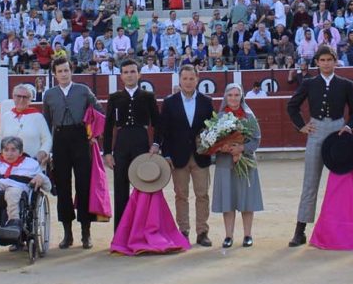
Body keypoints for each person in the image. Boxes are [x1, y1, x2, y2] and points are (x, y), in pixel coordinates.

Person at [285, 45, 353, 247]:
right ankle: (300, 231)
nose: (326, 63)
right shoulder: (310, 83)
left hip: (338, 131)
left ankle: (344, 227)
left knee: (342, 183)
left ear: (335, 62)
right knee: (310, 182)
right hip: (316, 129)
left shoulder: (345, 84)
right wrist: (301, 126)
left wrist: (348, 127)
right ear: (317, 62)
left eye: (330, 60)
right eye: (323, 60)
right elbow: (292, 106)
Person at [42, 55, 102, 249]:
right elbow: (47, 123)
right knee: (63, 187)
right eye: (60, 71)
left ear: (71, 71)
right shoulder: (49, 95)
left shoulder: (83, 91)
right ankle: (68, 234)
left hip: (80, 138)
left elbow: (99, 113)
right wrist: (48, 149)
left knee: (84, 185)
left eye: (66, 70)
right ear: (54, 74)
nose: (64, 74)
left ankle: (86, 234)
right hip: (60, 140)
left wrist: (94, 134)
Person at [156, 64, 215, 246]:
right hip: (177, 155)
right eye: (185, 79)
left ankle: (202, 231)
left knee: (202, 194)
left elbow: (211, 129)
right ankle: (183, 230)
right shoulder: (170, 102)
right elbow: (163, 131)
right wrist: (166, 154)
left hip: (200, 155)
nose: (188, 82)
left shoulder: (206, 101)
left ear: (197, 79)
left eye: (192, 78)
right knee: (181, 195)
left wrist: (209, 148)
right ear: (179, 80)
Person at [103, 58, 158, 228]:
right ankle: (121, 230)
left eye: (133, 71)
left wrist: (156, 143)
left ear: (139, 74)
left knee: (143, 184)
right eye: (126, 72)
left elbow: (157, 122)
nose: (129, 75)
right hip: (121, 142)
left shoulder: (148, 96)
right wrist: (107, 152)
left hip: (141, 141)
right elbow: (108, 126)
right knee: (120, 186)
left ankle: (143, 228)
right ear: (121, 76)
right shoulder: (115, 97)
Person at [0, 135, 51, 242]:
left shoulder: (31, 164)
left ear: (20, 152)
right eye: (6, 150)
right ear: (1, 152)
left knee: (13, 191)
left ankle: (14, 222)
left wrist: (41, 177)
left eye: (13, 150)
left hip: (18, 189)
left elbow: (48, 187)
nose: (9, 153)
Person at [211, 83, 263, 248]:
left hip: (245, 162)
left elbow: (256, 140)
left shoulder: (249, 116)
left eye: (236, 95)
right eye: (230, 95)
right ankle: (228, 236)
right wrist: (222, 147)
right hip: (225, 162)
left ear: (241, 97)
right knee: (228, 198)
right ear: (225, 97)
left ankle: (248, 234)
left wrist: (241, 149)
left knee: (246, 198)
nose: (233, 98)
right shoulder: (219, 118)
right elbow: (211, 141)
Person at [0, 86, 52, 162]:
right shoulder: (6, 116)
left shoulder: (38, 117)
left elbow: (47, 139)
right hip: (8, 162)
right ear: (13, 97)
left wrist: (41, 153)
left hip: (32, 162)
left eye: (25, 97)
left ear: (30, 99)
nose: (21, 100)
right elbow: (0, 137)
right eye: (18, 96)